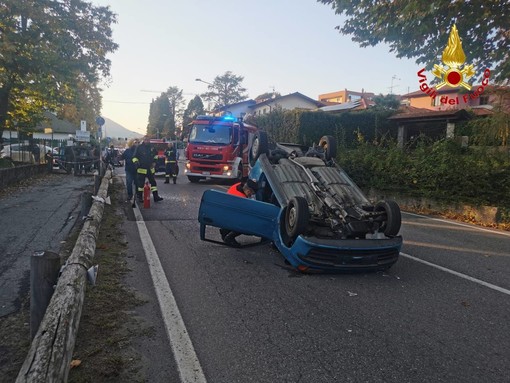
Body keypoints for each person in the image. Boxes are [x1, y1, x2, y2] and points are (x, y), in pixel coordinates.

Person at [219, 179, 258, 246]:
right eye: (251, 193)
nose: (251, 195)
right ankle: (230, 237)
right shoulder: (241, 198)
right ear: (248, 190)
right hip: (231, 217)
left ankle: (225, 231)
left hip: (225, 213)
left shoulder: (236, 185)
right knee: (249, 222)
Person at [132, 136, 163, 203]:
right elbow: (134, 157)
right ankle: (140, 197)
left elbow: (156, 155)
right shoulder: (139, 147)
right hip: (141, 168)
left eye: (148, 140)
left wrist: (155, 162)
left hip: (150, 169)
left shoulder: (152, 147)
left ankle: (156, 197)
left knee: (153, 183)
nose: (147, 141)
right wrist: (136, 162)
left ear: (149, 140)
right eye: (145, 140)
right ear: (143, 140)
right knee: (140, 185)